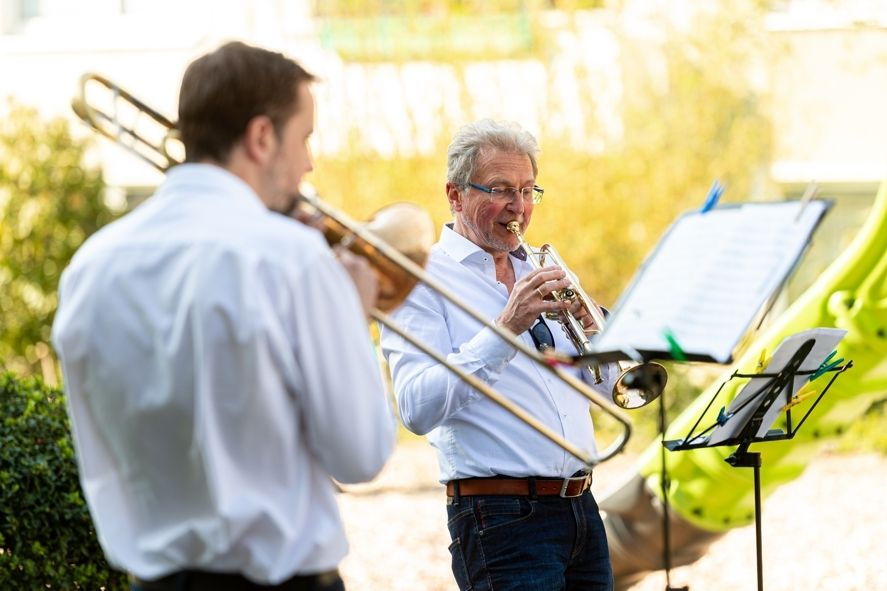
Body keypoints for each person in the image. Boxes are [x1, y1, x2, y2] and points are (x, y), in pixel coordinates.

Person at [52, 41, 396, 591]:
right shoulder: (291, 258)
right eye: (304, 138)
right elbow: (360, 453)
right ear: (262, 137)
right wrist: (350, 321)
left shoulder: (90, 266)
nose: (308, 162)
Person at [380, 118, 617, 590]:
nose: (520, 208)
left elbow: (609, 389)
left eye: (530, 191)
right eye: (502, 190)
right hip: (500, 515)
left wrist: (601, 338)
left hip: (583, 507)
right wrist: (506, 328)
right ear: (455, 195)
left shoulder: (542, 267)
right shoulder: (420, 279)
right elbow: (416, 408)